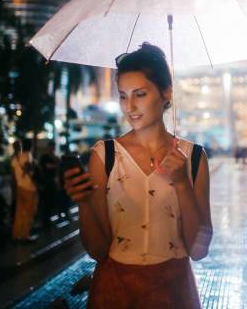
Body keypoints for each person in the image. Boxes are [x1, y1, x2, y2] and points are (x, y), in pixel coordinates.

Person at [63, 42, 212, 308]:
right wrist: (83, 201)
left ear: (166, 93)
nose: (129, 106)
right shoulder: (105, 156)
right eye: (123, 95)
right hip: (114, 290)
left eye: (140, 94)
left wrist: (182, 184)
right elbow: (98, 250)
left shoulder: (193, 158)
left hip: (174, 291)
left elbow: (199, 250)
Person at [11, 138, 39, 242]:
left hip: (19, 187)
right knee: (29, 211)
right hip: (29, 187)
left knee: (19, 212)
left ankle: (16, 234)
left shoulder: (15, 158)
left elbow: (13, 175)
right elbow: (30, 168)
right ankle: (25, 235)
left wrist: (14, 188)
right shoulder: (28, 155)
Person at [38, 140, 60, 229]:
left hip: (52, 182)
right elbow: (46, 167)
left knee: (51, 203)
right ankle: (45, 222)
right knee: (46, 203)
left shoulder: (54, 156)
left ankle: (48, 221)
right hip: (47, 182)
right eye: (52, 147)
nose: (53, 148)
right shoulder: (45, 157)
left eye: (53, 147)